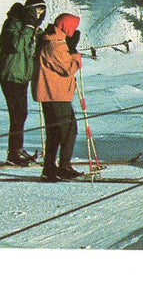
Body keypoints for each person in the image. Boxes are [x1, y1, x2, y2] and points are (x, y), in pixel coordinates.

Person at [0, 0, 47, 165]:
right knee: (17, 114)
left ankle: (16, 149)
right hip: (10, 75)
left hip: (22, 76)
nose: (39, 15)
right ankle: (13, 153)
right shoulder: (15, 23)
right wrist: (29, 26)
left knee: (21, 114)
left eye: (41, 12)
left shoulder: (30, 28)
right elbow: (17, 45)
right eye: (36, 11)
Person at [32, 12, 83, 181]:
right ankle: (64, 166)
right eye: (73, 27)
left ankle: (50, 168)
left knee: (54, 132)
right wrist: (74, 52)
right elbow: (68, 68)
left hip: (51, 93)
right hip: (56, 94)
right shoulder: (55, 45)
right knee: (69, 130)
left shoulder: (53, 41)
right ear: (66, 27)